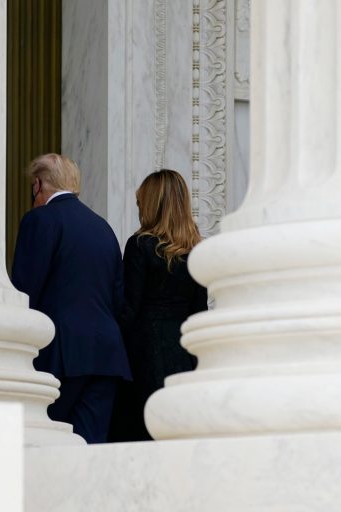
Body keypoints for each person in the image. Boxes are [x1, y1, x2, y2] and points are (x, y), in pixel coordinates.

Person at [11, 153, 131, 444]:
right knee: (89, 447)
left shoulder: (40, 219)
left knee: (45, 443)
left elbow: (25, 291)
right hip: (105, 355)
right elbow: (117, 298)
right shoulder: (103, 227)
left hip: (60, 355)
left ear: (38, 184)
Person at [108, 169, 208, 442]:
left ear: (151, 204)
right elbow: (200, 314)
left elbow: (129, 309)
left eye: (141, 202)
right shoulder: (197, 252)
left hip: (144, 355)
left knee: (140, 434)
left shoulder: (140, 245)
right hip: (184, 355)